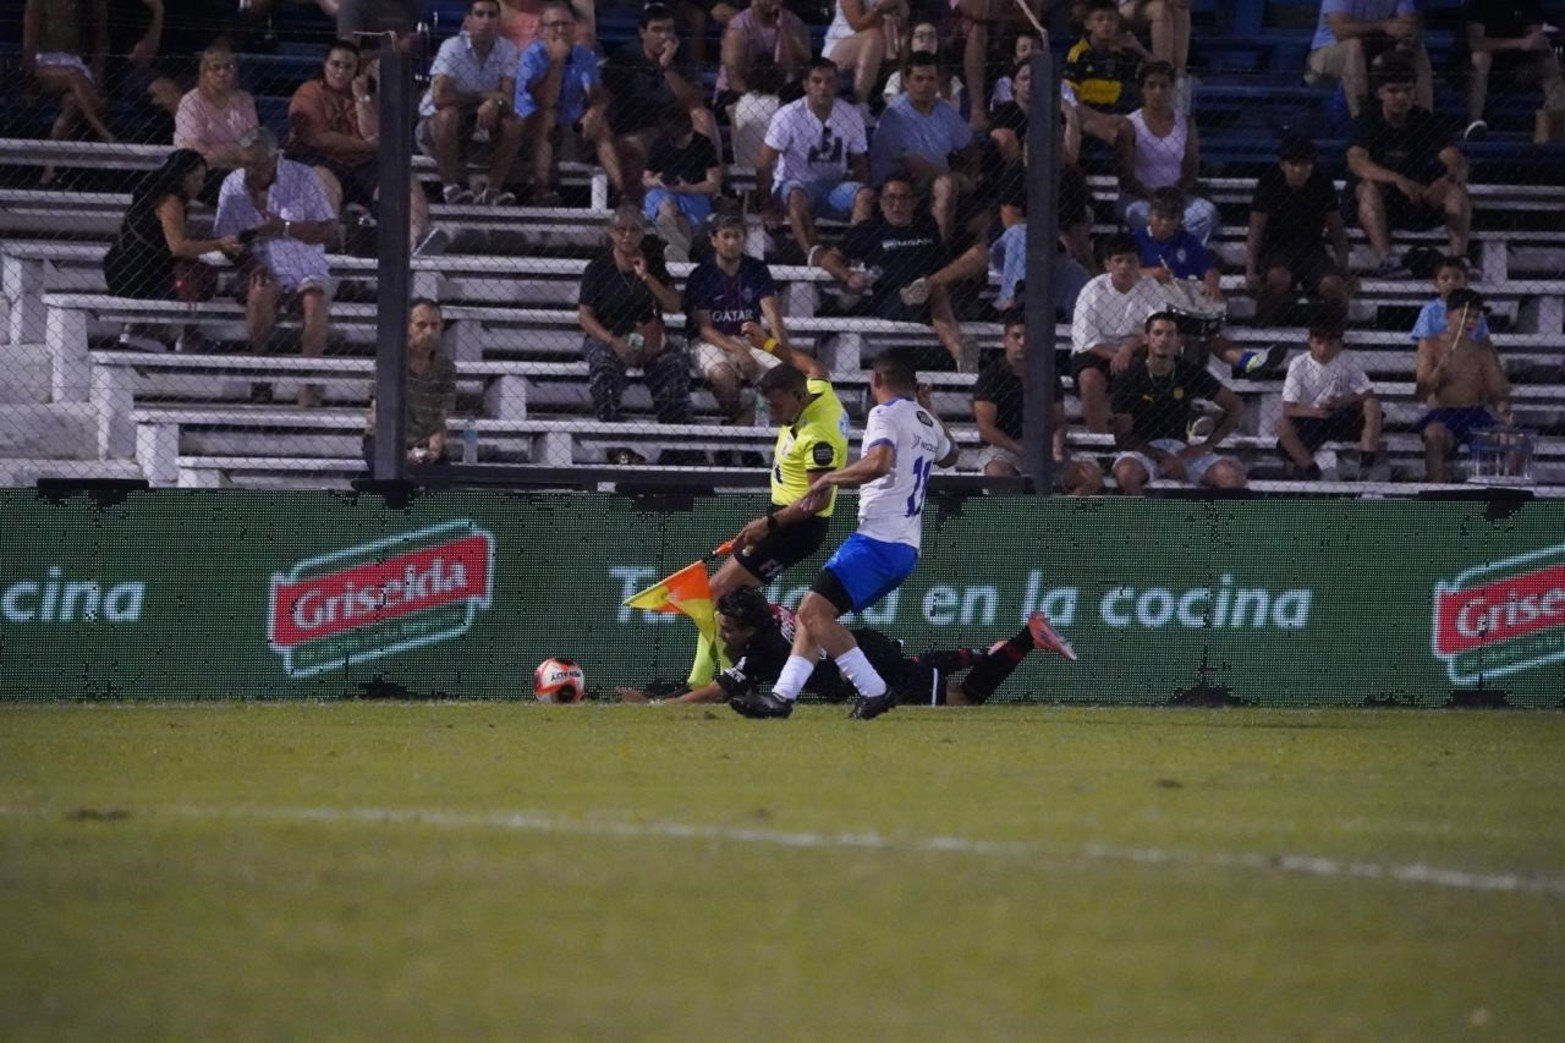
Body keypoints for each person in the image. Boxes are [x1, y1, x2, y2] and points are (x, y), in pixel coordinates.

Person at [732, 348, 961, 720]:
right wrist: (928, 406)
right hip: (904, 548)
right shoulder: (925, 420)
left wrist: (829, 477)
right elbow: (952, 456)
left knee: (812, 611)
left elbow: (879, 463)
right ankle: (781, 697)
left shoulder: (884, 413)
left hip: (879, 541)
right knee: (813, 615)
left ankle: (875, 690)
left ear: (877, 381)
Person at [680, 358, 848, 691]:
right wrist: (765, 344)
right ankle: (726, 681)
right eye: (767, 404)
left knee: (714, 594)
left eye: (776, 404)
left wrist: (769, 524)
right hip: (782, 519)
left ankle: (706, 684)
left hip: (794, 528)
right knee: (726, 600)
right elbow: (815, 366)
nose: (771, 412)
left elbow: (819, 501)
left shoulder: (818, 438)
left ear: (799, 398)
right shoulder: (816, 388)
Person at [619, 586, 1075, 705]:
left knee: (964, 699)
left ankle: (1026, 639)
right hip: (865, 651)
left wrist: (663, 706)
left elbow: (720, 689)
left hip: (865, 664)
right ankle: (988, 651)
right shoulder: (770, 612)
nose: (723, 636)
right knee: (921, 668)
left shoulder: (762, 651)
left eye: (728, 630)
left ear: (749, 628)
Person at [213, 128, 338, 408]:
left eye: (256, 164)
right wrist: (251, 262)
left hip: (304, 260)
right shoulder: (232, 184)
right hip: (261, 263)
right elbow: (225, 240)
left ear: (274, 158)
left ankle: (308, 381)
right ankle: (260, 373)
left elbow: (327, 230)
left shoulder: (303, 177)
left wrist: (284, 227)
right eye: (244, 163)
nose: (249, 170)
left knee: (315, 300)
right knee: (259, 291)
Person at [815, 175, 975, 371]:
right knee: (935, 291)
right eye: (890, 198)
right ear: (881, 203)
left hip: (931, 293)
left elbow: (941, 261)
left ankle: (961, 350)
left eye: (903, 198)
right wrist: (848, 276)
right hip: (895, 299)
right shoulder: (870, 230)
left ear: (914, 202)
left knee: (973, 259)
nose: (896, 204)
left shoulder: (927, 226)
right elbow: (827, 258)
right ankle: (960, 353)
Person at [287, 41, 435, 250]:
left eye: (348, 67)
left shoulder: (368, 94)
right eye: (335, 65)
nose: (340, 72)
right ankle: (324, 241)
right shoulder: (309, 92)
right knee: (323, 180)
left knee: (404, 181)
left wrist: (362, 98)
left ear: (357, 69)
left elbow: (374, 134)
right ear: (325, 65)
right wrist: (366, 146)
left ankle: (415, 241)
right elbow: (318, 138)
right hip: (322, 160)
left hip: (363, 165)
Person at [575, 205, 691, 458]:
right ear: (611, 233)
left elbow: (673, 305)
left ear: (642, 233)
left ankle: (676, 450)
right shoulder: (598, 268)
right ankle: (616, 447)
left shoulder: (654, 263)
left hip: (648, 337)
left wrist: (647, 276)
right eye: (621, 230)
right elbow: (585, 316)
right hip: (608, 336)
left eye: (634, 230)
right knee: (603, 369)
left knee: (674, 366)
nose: (627, 235)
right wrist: (613, 341)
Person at [1135, 187, 1284, 379]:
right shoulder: (1137, 238)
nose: (1163, 224)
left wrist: (1212, 283)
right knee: (1191, 336)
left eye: (1170, 219)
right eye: (1159, 217)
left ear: (1178, 220)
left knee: (1208, 334)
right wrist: (1151, 272)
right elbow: (1119, 271)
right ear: (1149, 215)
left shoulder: (1186, 241)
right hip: (1149, 304)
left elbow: (1209, 269)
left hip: (1180, 305)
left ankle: (1252, 362)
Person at [1345, 53, 1471, 275]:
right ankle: (1387, 259)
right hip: (1382, 200)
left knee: (1455, 190)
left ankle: (1458, 259)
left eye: (1407, 90)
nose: (1401, 97)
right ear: (1380, 93)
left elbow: (1456, 160)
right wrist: (1397, 178)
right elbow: (1357, 162)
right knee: (1367, 187)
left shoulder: (1426, 120)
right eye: (1393, 91)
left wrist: (1447, 179)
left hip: (1418, 197)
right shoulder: (1366, 121)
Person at [1110, 311, 1248, 495]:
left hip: (1181, 448)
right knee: (1126, 473)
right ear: (1146, 338)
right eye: (1157, 333)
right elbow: (1123, 436)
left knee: (1231, 476)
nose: (1164, 339)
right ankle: (1141, 522)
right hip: (1142, 449)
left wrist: (1206, 445)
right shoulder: (1130, 376)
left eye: (1170, 334)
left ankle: (1214, 523)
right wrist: (1160, 457)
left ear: (1178, 340)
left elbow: (1236, 405)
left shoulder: (1188, 371)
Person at [756, 58, 875, 263]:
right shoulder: (788, 115)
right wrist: (766, 205)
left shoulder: (851, 114)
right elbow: (764, 163)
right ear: (806, 85)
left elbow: (859, 162)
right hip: (795, 185)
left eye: (829, 81)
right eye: (817, 81)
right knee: (796, 195)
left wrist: (857, 188)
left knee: (864, 195)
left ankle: (854, 256)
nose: (823, 87)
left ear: (837, 84)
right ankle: (816, 257)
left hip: (834, 187)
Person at [972, 311, 1104, 494]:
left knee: (1090, 476)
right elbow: (985, 429)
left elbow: (1058, 421)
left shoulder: (1048, 374)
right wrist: (1019, 448)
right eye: (1016, 336)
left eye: (1027, 337)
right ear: (1005, 340)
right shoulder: (991, 376)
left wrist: (1056, 446)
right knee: (997, 474)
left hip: (1042, 447)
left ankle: (1057, 518)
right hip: (1004, 449)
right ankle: (1018, 521)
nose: (1022, 342)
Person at [684, 213, 794, 423]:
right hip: (711, 342)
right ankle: (737, 428)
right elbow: (704, 329)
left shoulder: (757, 270)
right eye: (726, 236)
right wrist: (739, 351)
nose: (732, 242)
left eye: (737, 236)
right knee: (723, 376)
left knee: (785, 378)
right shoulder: (701, 274)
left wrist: (783, 352)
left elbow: (772, 315)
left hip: (750, 338)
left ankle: (738, 426)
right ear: (713, 239)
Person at [415, 0, 526, 206]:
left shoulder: (507, 49)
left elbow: (507, 98)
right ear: (468, 20)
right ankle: (451, 190)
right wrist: (485, 97)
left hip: (477, 123)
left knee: (514, 123)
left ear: (499, 21)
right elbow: (440, 99)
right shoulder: (452, 47)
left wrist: (496, 104)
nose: (485, 21)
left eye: (492, 15)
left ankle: (493, 191)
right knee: (448, 115)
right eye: (480, 14)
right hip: (434, 126)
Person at [602, 4, 719, 195]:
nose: (664, 36)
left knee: (703, 116)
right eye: (657, 30)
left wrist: (667, 68)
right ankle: (636, 202)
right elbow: (606, 98)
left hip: (676, 125)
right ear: (642, 32)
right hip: (637, 127)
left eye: (669, 30)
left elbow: (693, 101)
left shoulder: (682, 55)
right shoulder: (625, 57)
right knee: (632, 146)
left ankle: (714, 191)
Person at [514, 2, 625, 205]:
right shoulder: (532, 56)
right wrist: (557, 61)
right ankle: (541, 189)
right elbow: (546, 101)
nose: (561, 30)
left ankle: (621, 193)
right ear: (542, 30)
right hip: (531, 125)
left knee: (601, 124)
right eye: (555, 24)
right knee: (547, 117)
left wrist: (595, 110)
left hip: (568, 124)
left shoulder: (583, 54)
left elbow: (595, 92)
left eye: (566, 24)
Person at [869, 53, 980, 246]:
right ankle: (938, 252)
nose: (925, 85)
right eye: (919, 79)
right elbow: (912, 164)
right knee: (946, 185)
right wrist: (957, 177)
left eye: (930, 79)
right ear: (907, 81)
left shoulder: (944, 110)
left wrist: (971, 176)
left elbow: (970, 147)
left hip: (936, 179)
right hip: (901, 180)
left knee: (985, 214)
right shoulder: (894, 115)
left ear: (938, 81)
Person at [1245, 133, 1354, 327]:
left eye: (1305, 164)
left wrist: (1343, 266)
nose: (1299, 170)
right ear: (1282, 165)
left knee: (1334, 286)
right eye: (1293, 164)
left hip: (1311, 249)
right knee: (1278, 278)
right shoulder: (1269, 182)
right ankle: (1262, 327)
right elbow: (1256, 230)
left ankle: (1332, 334)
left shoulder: (1322, 183)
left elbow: (1336, 228)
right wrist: (1250, 270)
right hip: (1276, 248)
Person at [103, 149, 241, 300]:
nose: (200, 185)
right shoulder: (170, 201)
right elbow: (179, 248)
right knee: (200, 281)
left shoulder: (157, 191)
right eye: (195, 180)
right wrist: (218, 244)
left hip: (126, 266)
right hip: (138, 273)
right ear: (180, 177)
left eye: (202, 179)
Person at [1069, 231, 1168, 432]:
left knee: (1158, 363)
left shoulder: (1151, 287)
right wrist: (1116, 354)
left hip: (1137, 349)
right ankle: (1101, 443)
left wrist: (1127, 350)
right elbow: (1086, 339)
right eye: (1118, 260)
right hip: (1096, 352)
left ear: (1139, 263)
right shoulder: (1092, 290)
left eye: (1130, 261)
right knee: (1089, 379)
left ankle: (1136, 436)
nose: (1124, 266)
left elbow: (1157, 329)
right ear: (1107, 264)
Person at [1414, 287, 1512, 482]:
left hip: (1475, 414)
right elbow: (1420, 392)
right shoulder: (1430, 345)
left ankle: (1504, 497)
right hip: (1443, 414)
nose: (1470, 322)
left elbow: (1497, 392)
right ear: (1449, 315)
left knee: (1513, 439)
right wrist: (1440, 369)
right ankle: (1437, 494)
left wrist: (1503, 408)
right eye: (1465, 316)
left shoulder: (1482, 350)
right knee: (1434, 435)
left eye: (1475, 318)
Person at [1115, 61, 1218, 245]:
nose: (1158, 92)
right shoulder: (1129, 125)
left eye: (1163, 86)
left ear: (1171, 89)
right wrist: (1154, 199)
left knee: (1206, 213)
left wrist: (1174, 197)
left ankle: (1186, 258)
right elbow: (1125, 177)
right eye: (1151, 85)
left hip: (1176, 196)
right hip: (1140, 197)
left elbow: (1191, 169)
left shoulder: (1185, 123)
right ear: (1142, 89)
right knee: (1139, 215)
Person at [1276, 319, 1386, 481]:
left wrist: (1343, 401)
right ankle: (1311, 470)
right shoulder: (1299, 363)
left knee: (1372, 404)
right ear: (1310, 342)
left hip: (1341, 415)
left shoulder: (1346, 361)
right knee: (1281, 424)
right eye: (1319, 343)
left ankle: (1366, 462)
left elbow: (1368, 393)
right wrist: (1313, 412)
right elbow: (1289, 408)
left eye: (1330, 344)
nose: (1324, 349)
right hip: (1311, 419)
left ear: (1340, 344)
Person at [363, 299, 458, 470]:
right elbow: (379, 415)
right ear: (408, 326)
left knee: (443, 478)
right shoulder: (390, 361)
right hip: (385, 439)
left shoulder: (445, 368)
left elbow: (441, 419)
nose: (429, 332)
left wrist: (434, 451)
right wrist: (401, 452)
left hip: (424, 441)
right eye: (422, 325)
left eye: (434, 325)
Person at [22, 0, 116, 169]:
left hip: (75, 64)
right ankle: (103, 132)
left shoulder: (90, 5)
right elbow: (29, 45)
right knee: (73, 77)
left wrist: (99, 83)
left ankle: (49, 170)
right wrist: (29, 84)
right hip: (46, 63)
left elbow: (100, 45)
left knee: (72, 102)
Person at [1305, 0, 1433, 118]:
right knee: (1353, 46)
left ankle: (1425, 118)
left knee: (1417, 49)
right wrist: (1384, 26)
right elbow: (1341, 31)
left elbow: (1407, 22)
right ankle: (1361, 121)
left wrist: (1406, 35)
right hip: (1327, 53)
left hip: (1376, 50)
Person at [1458, 0, 1565, 140]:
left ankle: (1559, 120)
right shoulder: (1479, 4)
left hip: (1516, 71)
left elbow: (1533, 33)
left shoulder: (1527, 3)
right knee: (1481, 57)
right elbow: (1476, 42)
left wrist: (1537, 41)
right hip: (1477, 72)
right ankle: (1473, 123)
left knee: (1547, 60)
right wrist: (1521, 43)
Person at [173, 45, 259, 203]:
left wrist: (220, 153)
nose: (222, 73)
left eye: (228, 67)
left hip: (243, 170)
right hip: (203, 174)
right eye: (215, 68)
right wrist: (236, 152)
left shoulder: (245, 100)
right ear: (204, 73)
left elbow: (253, 145)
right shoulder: (191, 101)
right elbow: (195, 153)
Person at [642, 107, 722, 262]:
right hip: (663, 193)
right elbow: (646, 178)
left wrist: (688, 188)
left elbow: (713, 183)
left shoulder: (703, 144)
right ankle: (682, 254)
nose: (681, 143)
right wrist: (658, 181)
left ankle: (677, 249)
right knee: (668, 205)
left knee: (680, 219)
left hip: (694, 195)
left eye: (684, 137)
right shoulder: (660, 145)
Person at [1064, 0, 1149, 145]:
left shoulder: (1121, 55)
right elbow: (1072, 100)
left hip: (1114, 113)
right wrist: (1104, 118)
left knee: (1128, 128)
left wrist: (1137, 48)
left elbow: (1159, 70)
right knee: (1090, 121)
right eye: (1100, 19)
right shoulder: (1078, 54)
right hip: (1087, 115)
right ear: (1088, 24)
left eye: (1111, 19)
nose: (1106, 24)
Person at [821, 0, 907, 109]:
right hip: (842, 45)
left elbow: (904, 20)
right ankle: (861, 102)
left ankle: (903, 95)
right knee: (873, 36)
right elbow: (857, 25)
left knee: (905, 38)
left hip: (882, 47)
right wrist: (877, 8)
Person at [716, 0, 811, 99]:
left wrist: (784, 29)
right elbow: (733, 75)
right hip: (738, 93)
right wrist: (754, 100)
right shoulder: (739, 25)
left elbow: (805, 64)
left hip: (781, 92)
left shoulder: (794, 24)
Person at [1410, 256, 1495, 354]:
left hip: (1469, 356)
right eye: (1445, 278)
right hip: (1438, 355)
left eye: (1457, 278)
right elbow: (1423, 342)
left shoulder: (1473, 308)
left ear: (1466, 281)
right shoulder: (1430, 310)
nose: (1451, 282)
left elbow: (1484, 340)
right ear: (1436, 283)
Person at [882, 21, 965, 111]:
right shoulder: (896, 78)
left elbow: (953, 115)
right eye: (920, 36)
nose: (926, 41)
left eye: (931, 36)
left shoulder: (951, 81)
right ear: (911, 42)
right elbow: (893, 112)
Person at [1118, 0, 1191, 86]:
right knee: (1160, 8)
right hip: (1121, 8)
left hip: (1150, 5)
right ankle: (1164, 72)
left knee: (1180, 8)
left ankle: (1179, 74)